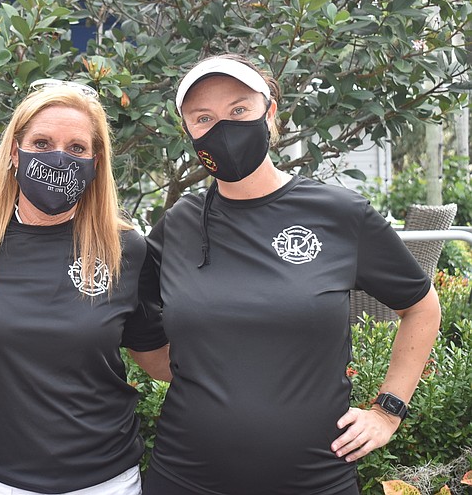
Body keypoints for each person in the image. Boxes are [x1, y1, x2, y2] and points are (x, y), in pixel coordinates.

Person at [140, 54, 442, 495]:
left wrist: (387, 411)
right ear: (188, 131)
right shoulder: (179, 224)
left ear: (270, 112)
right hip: (186, 474)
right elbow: (140, 319)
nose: (223, 128)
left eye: (239, 110)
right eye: (203, 118)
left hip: (314, 478)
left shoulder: (338, 214)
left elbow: (421, 307)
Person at [0, 79, 171, 495]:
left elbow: (157, 359)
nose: (58, 158)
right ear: (13, 154)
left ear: (96, 163)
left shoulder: (125, 249)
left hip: (107, 479)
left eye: (76, 148)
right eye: (41, 143)